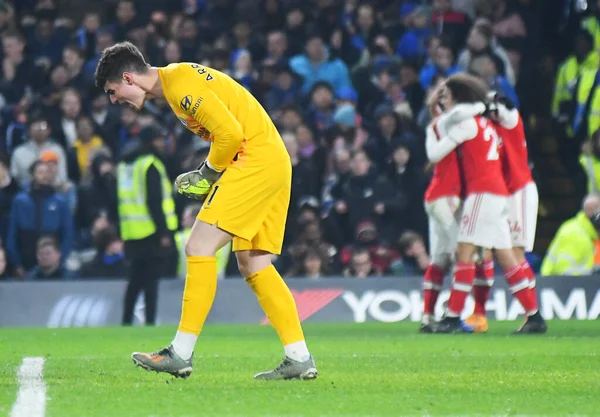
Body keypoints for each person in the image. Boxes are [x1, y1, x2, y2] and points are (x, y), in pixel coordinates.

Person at [95, 42, 316, 380]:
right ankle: (299, 357)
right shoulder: (176, 84)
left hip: (254, 160)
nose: (114, 100)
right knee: (254, 262)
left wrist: (206, 173)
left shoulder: (180, 86)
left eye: (113, 91)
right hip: (272, 161)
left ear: (128, 77)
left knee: (198, 247)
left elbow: (230, 134)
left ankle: (180, 352)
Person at [426, 73, 546, 334]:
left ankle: (452, 316)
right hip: (501, 192)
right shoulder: (489, 124)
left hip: (497, 191)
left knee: (466, 251)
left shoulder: (477, 122)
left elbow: (436, 151)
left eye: (448, 96)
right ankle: (534, 315)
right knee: (505, 254)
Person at [465, 93, 541, 333]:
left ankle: (533, 316)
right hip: (500, 194)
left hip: (519, 190)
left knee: (514, 253)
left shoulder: (509, 119)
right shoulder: (485, 128)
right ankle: (480, 314)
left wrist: (485, 98)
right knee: (488, 250)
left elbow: (506, 106)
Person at [116, 123, 178, 326]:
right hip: (151, 230)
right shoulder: (150, 164)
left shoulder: (126, 164)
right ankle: (150, 321)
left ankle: (126, 321)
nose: (162, 144)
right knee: (151, 281)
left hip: (131, 231)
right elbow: (154, 201)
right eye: (159, 139)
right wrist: (164, 232)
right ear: (151, 141)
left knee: (134, 281)